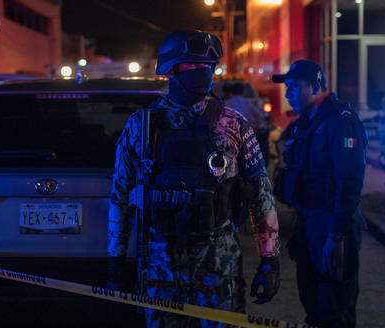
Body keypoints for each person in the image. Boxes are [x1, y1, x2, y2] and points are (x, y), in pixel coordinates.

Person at [108, 29, 281, 328]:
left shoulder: (234, 124)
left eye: (209, 66)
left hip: (219, 261)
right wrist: (116, 259)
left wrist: (269, 259)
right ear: (171, 69)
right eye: (194, 65)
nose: (204, 72)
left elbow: (260, 194)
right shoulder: (141, 126)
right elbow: (120, 196)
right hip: (160, 261)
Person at [272, 59, 368, 328]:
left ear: (315, 86)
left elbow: (349, 182)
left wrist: (336, 236)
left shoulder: (340, 122)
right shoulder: (307, 123)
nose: (288, 93)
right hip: (309, 222)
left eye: (293, 87)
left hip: (332, 225)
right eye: (287, 87)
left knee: (333, 308)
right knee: (312, 304)